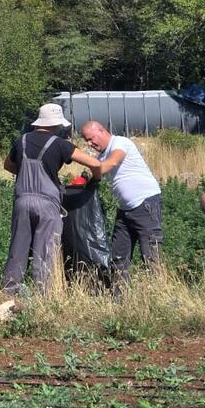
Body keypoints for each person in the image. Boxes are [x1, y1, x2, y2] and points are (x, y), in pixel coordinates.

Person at [0, 104, 101, 297]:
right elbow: (95, 164)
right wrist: (95, 179)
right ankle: (43, 297)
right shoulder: (60, 144)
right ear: (56, 124)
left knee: (18, 249)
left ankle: (8, 294)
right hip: (47, 204)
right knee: (44, 252)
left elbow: (8, 165)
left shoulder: (21, 140)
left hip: (22, 201)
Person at [80, 121, 162, 290]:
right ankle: (119, 297)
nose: (90, 144)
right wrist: (80, 182)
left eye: (91, 139)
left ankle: (158, 295)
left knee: (151, 253)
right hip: (125, 209)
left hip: (144, 203)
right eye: (86, 141)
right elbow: (97, 170)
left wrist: (89, 173)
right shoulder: (101, 157)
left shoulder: (120, 143)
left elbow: (112, 163)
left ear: (101, 131)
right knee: (119, 256)